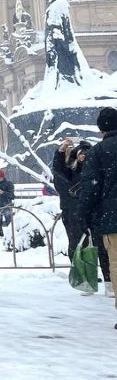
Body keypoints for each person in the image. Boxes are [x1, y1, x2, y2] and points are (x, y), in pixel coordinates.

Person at [76, 107, 117, 316]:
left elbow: (90, 188)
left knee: (116, 263)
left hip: (112, 218)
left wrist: (83, 215)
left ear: (101, 129)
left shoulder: (98, 152)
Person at [54, 138, 92, 257]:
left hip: (86, 211)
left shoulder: (94, 170)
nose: (83, 157)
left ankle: (88, 272)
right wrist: (61, 150)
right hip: (74, 210)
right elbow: (59, 169)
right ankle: (81, 272)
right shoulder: (72, 171)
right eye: (80, 154)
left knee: (90, 245)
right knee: (77, 243)